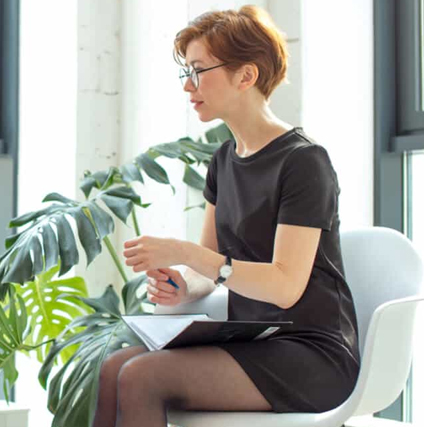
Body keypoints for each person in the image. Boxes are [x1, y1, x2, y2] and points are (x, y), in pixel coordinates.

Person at [93, 6, 360, 427]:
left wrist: (186, 253)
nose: (187, 85)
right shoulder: (224, 160)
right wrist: (183, 285)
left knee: (142, 377)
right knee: (113, 368)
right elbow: (211, 266)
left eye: (199, 70)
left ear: (246, 76)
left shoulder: (304, 162)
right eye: (186, 71)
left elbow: (286, 287)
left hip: (312, 353)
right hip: (254, 341)